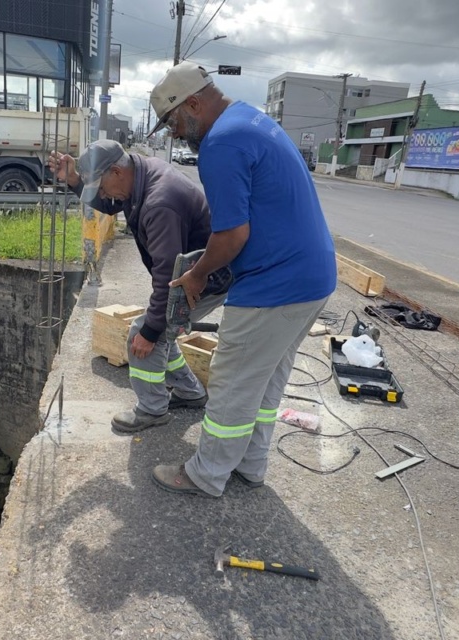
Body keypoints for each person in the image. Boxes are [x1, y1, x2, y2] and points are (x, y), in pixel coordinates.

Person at [145, 62, 337, 498]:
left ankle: (206, 474)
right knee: (264, 381)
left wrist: (196, 275)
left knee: (232, 382)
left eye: (174, 122)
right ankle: (250, 466)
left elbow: (232, 235)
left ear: (193, 104)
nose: (176, 133)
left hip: (275, 284)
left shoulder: (221, 143)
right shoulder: (251, 118)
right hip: (312, 277)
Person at [48, 139, 230, 433]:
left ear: (116, 172)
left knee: (144, 335)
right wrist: (74, 181)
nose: (103, 195)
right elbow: (110, 204)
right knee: (162, 333)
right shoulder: (138, 173)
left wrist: (149, 331)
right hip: (191, 273)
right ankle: (190, 392)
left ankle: (152, 410)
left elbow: (166, 275)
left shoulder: (160, 202)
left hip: (203, 280)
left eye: (101, 187)